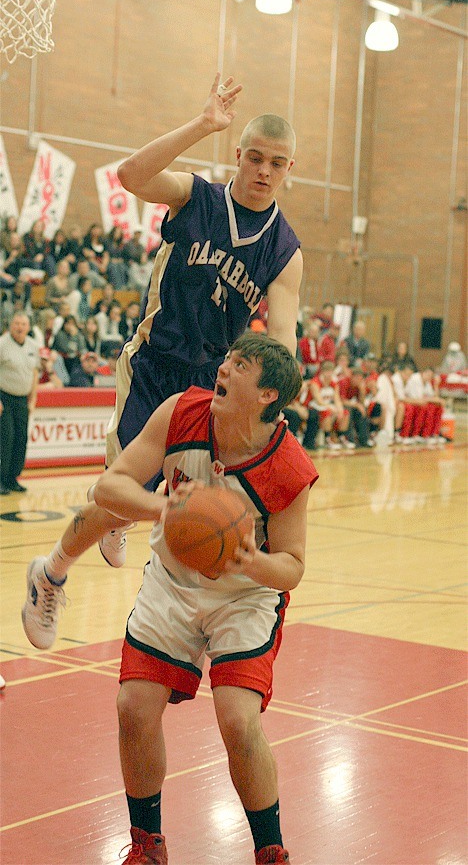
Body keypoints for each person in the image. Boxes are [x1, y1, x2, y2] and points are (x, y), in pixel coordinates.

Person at [22, 73, 303, 649]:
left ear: (289, 169)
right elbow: (130, 177)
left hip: (213, 384)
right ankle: (50, 573)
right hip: (154, 363)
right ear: (238, 156)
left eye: (277, 162)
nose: (263, 171)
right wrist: (203, 123)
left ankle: (69, 555)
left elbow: (281, 335)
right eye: (254, 158)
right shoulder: (195, 195)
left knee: (152, 506)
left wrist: (278, 402)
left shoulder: (286, 249)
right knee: (120, 495)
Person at [96, 333, 318, 864]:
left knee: (238, 720)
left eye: (239, 364)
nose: (223, 366)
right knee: (133, 706)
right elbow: (110, 487)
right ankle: (148, 843)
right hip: (173, 580)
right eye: (227, 357)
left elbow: (291, 567)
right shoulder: (181, 412)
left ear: (267, 394)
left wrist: (247, 558)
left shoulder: (288, 465)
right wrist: (164, 510)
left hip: (243, 595)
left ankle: (271, 851)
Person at [0, 312, 39, 494]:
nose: (20, 327)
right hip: (4, 398)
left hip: (23, 399)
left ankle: (13, 478)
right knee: (6, 438)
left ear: (28, 327)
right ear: (10, 325)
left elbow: (34, 373)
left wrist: (33, 399)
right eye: (17, 323)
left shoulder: (33, 345)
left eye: (23, 324)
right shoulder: (2, 344)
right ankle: (1, 479)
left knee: (20, 439)